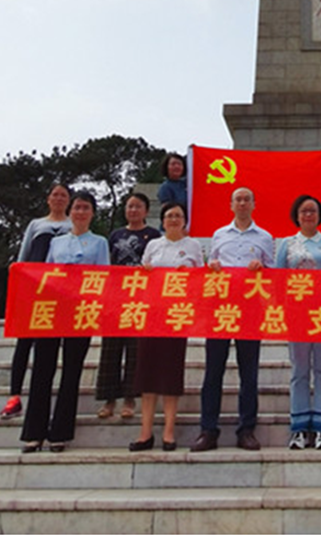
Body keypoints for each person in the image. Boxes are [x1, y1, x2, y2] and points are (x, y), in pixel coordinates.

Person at [20, 190, 109, 453]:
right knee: (42, 369)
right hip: (52, 310)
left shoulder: (100, 243)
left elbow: (104, 277)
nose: (80, 212)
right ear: (70, 212)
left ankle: (60, 432)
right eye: (77, 207)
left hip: (81, 311)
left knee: (72, 371)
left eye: (86, 208)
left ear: (92, 213)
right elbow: (46, 274)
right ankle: (34, 432)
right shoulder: (56, 243)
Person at [191, 187, 274, 452]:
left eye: (247, 199)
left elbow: (273, 274)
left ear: (254, 204)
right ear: (231, 205)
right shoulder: (219, 235)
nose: (242, 203)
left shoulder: (265, 237)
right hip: (220, 309)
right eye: (238, 199)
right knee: (213, 371)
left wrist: (262, 269)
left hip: (250, 309)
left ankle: (246, 430)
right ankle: (208, 430)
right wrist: (212, 266)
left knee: (249, 373)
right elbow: (210, 267)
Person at [129, 201, 203, 452]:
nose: (173, 219)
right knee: (147, 372)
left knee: (171, 373)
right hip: (152, 313)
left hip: (177, 315)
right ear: (162, 221)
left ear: (185, 221)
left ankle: (169, 432)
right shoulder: (153, 245)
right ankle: (145, 433)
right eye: (169, 215)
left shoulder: (193, 246)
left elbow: (201, 281)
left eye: (178, 215)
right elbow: (141, 275)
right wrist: (146, 272)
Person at [276, 194, 321, 450]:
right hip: (297, 313)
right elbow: (278, 281)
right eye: (304, 211)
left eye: (312, 211)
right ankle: (299, 427)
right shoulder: (287, 244)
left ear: (320, 215)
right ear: (297, 215)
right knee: (299, 370)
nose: (308, 215)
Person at [0, 183, 72, 419]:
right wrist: (19, 278)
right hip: (34, 288)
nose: (59, 198)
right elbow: (24, 254)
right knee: (24, 342)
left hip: (61, 291)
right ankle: (14, 396)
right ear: (48, 199)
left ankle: (44, 395)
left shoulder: (73, 226)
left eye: (63, 195)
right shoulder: (37, 224)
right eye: (55, 194)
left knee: (51, 346)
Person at [95, 192, 160, 420]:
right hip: (115, 297)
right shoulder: (115, 235)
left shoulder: (153, 236)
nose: (133, 210)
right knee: (110, 349)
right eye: (130, 206)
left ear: (146, 210)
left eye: (138, 206)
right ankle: (109, 399)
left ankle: (130, 398)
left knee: (135, 350)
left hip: (141, 297)